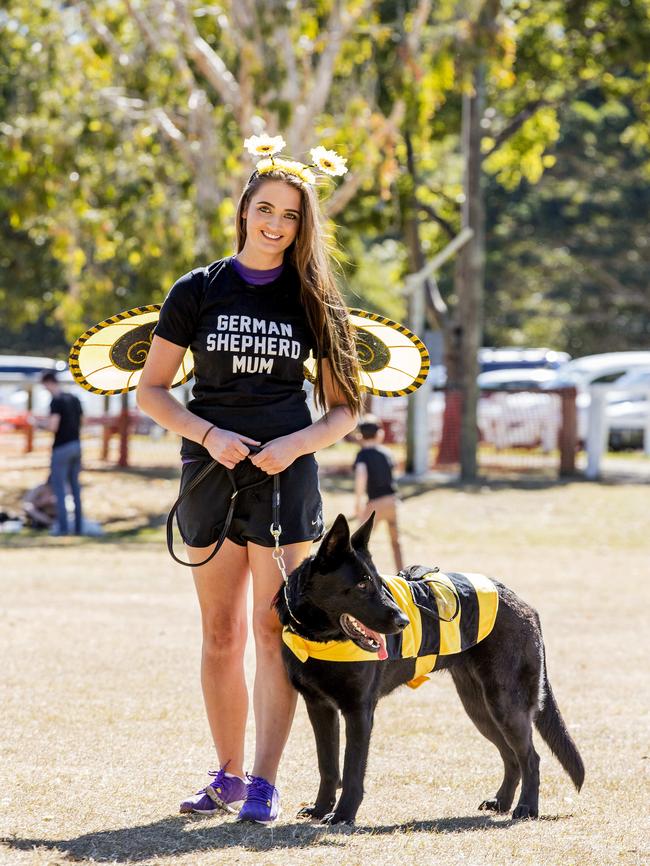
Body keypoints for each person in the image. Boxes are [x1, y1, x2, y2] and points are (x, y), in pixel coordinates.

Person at [136, 145, 362, 824]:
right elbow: (152, 391)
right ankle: (226, 775)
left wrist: (293, 446)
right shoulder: (196, 289)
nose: (274, 223)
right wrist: (209, 435)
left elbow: (346, 409)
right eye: (264, 208)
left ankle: (262, 783)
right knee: (220, 634)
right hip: (208, 475)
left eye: (289, 215)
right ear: (243, 211)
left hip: (284, 483)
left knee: (272, 631)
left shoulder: (314, 299)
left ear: (302, 226)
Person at [354, 414, 404, 573]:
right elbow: (394, 472)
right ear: (380, 434)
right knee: (396, 542)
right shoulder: (386, 453)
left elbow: (361, 476)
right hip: (392, 500)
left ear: (360, 435)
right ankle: (401, 571)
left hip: (374, 503)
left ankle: (358, 572)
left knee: (358, 542)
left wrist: (358, 502)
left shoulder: (362, 455)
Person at [39, 371, 83, 536]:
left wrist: (38, 424)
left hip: (61, 447)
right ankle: (78, 528)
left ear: (49, 382)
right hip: (77, 445)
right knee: (75, 489)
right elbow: (81, 422)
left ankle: (63, 528)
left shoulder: (56, 401)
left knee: (59, 489)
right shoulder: (74, 398)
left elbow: (53, 426)